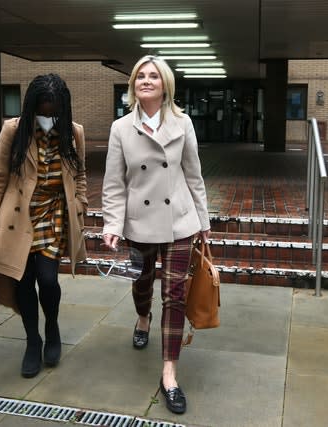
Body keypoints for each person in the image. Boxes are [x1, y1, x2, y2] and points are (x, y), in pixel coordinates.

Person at [101, 56, 210, 414]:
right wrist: (112, 225)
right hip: (139, 221)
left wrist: (204, 221)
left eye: (153, 76)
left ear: (165, 85)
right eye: (140, 76)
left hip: (179, 221)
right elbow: (115, 183)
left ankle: (169, 374)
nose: (145, 80)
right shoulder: (120, 128)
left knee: (175, 295)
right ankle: (143, 317)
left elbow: (193, 175)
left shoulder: (183, 122)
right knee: (142, 282)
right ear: (133, 84)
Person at [0, 73, 88, 378]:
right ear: (31, 107)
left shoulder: (73, 133)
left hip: (54, 216)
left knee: (48, 280)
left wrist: (80, 204)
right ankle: (32, 341)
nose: (47, 118)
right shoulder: (14, 131)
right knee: (22, 282)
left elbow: (80, 176)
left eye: (54, 113)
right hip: (17, 218)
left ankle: (51, 328)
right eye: (42, 112)